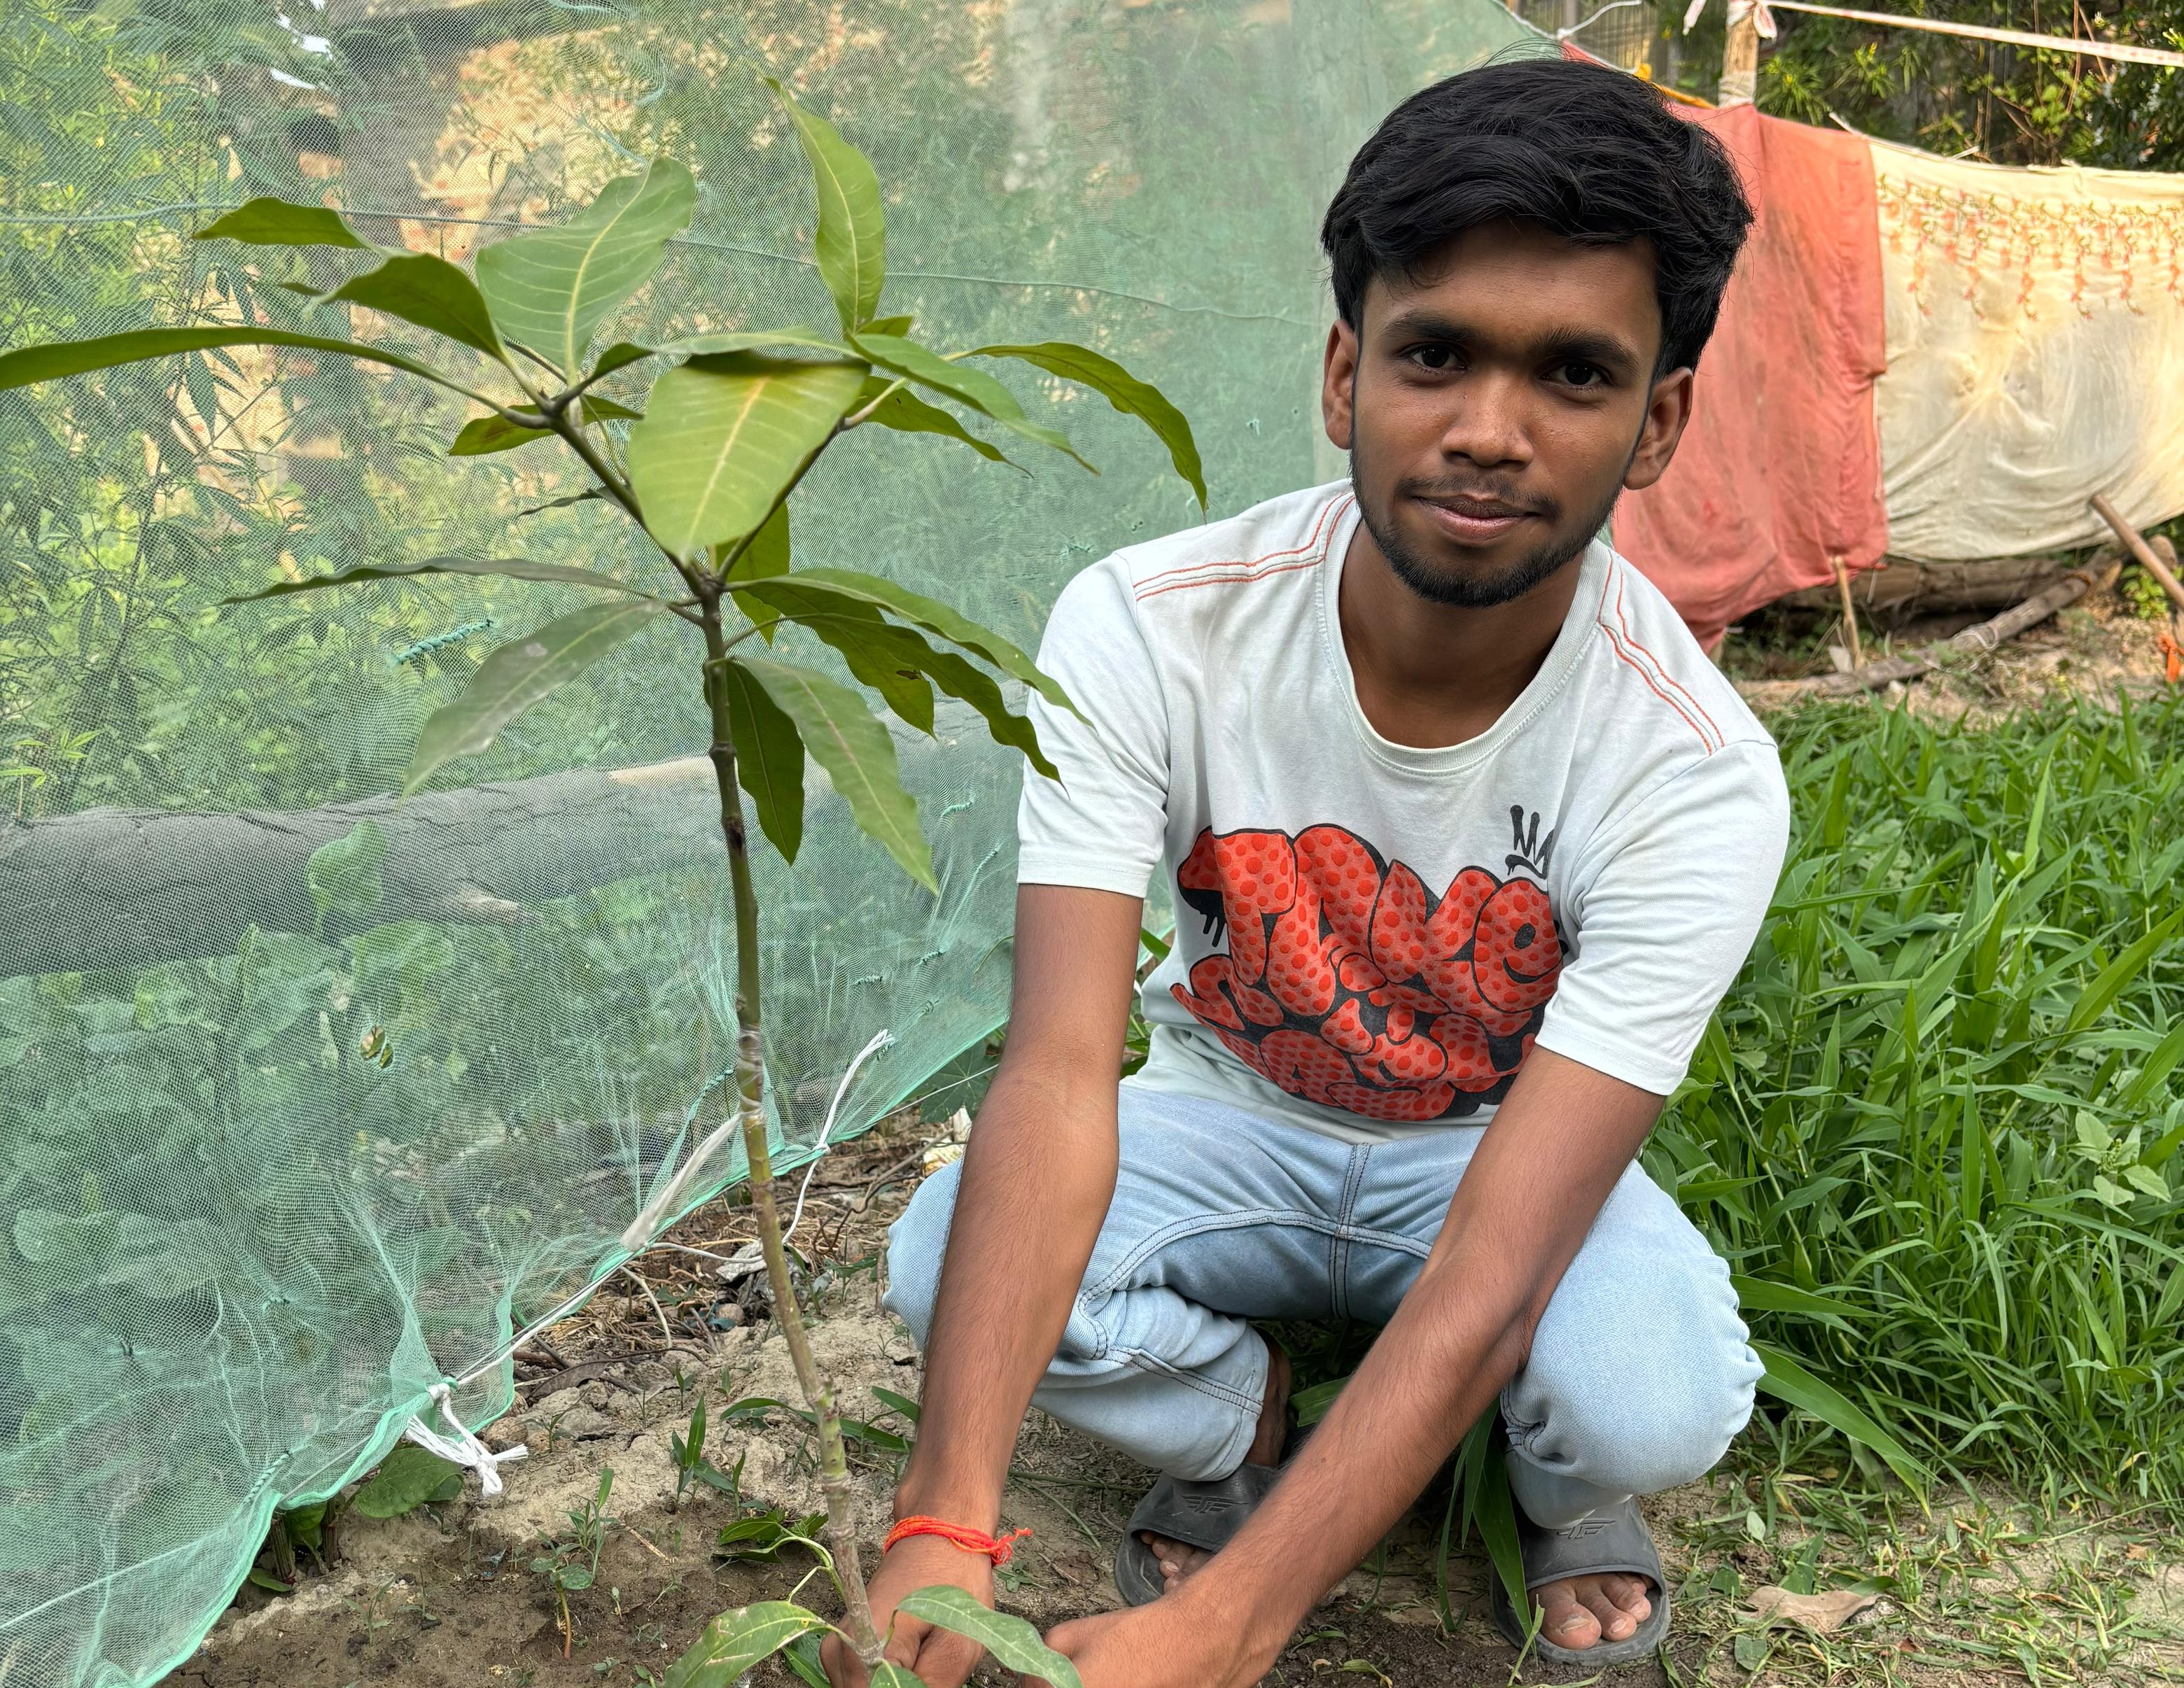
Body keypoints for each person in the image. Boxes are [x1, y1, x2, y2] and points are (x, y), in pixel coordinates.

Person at [823, 52, 1787, 1688]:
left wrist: (1227, 1623)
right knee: (943, 1267)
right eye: (1434, 355)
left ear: (1659, 422)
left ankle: (1552, 1480)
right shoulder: (1148, 626)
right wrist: (945, 1521)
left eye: (1571, 374)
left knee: (1655, 1394)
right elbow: (1061, 1068)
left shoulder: (1692, 772)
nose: (1487, 432)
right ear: (1346, 375)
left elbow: (1499, 1255)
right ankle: (1243, 1412)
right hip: (1224, 1119)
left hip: (1481, 1166)